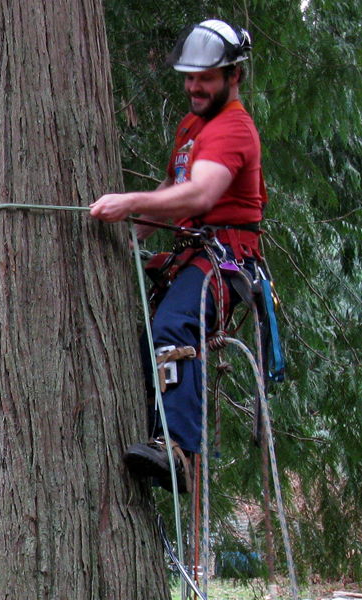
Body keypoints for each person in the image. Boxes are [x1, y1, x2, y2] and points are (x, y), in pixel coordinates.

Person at [89, 19, 267, 492]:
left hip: (225, 258)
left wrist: (130, 202)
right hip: (193, 252)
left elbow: (200, 195)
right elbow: (173, 187)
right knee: (146, 332)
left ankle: (179, 450)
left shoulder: (233, 128)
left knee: (172, 327)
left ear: (233, 76)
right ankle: (156, 435)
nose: (194, 86)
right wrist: (138, 232)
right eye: (189, 77)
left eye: (205, 78)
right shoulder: (192, 125)